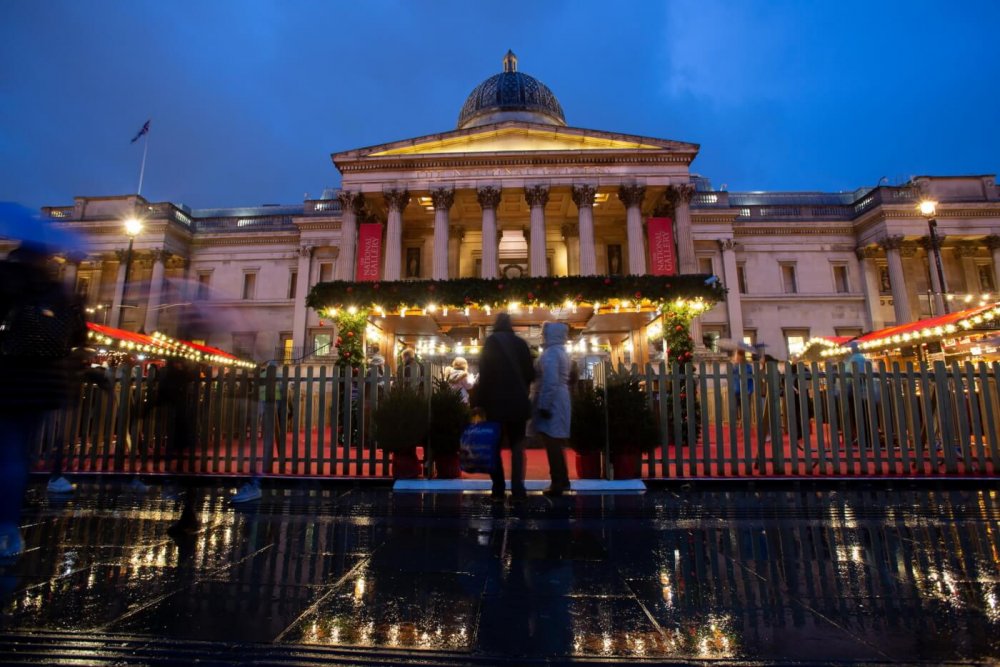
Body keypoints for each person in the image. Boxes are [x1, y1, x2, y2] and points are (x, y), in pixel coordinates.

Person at [0, 244, 86, 558]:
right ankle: (8, 528)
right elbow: (80, 336)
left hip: (9, 376)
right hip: (45, 382)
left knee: (8, 448)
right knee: (18, 452)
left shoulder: (7, 281)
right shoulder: (60, 290)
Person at [473, 313, 535, 502]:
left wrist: (479, 403)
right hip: (517, 404)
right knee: (517, 447)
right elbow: (531, 374)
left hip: (495, 404)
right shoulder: (521, 344)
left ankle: (498, 489)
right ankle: (518, 490)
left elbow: (484, 375)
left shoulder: (491, 343)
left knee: (494, 447)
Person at [151, 355, 201, 535]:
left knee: (183, 467)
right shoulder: (186, 375)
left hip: (181, 422)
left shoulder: (176, 376)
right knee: (185, 468)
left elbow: (164, 394)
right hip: (184, 422)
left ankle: (188, 516)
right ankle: (188, 515)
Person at [533, 322, 571, 497]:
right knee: (557, 442)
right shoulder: (561, 352)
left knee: (552, 443)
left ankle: (557, 483)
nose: (542, 335)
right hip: (561, 398)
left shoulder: (551, 354)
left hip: (553, 400)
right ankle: (563, 479)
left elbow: (549, 380)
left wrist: (544, 405)